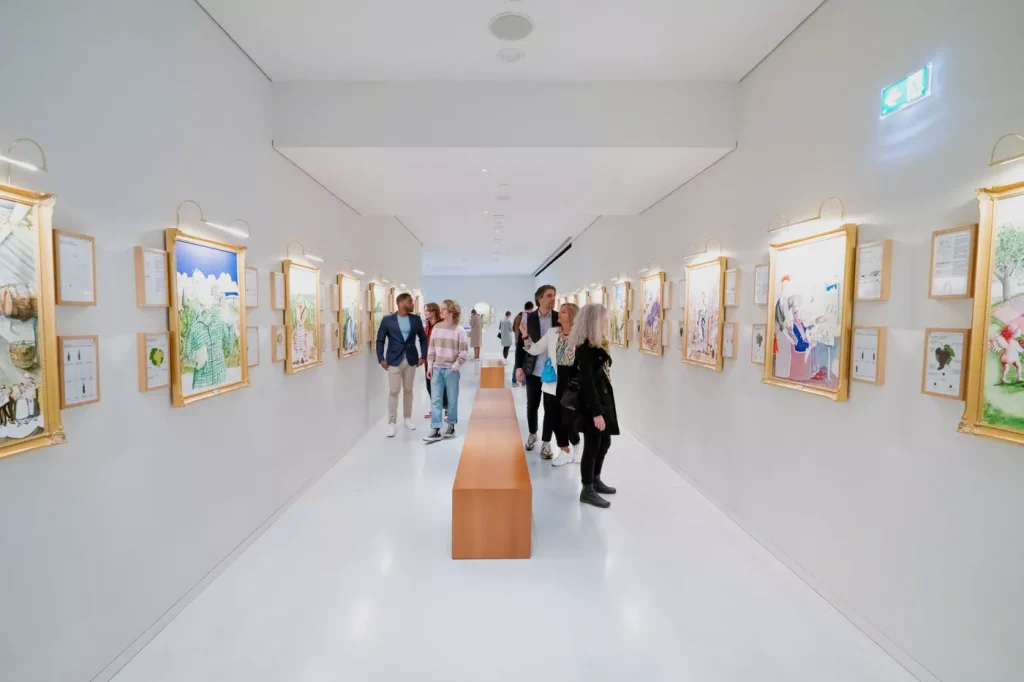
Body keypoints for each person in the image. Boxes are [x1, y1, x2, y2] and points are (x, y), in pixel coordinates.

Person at [568, 303, 618, 508]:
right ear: (593, 323)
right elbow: (588, 384)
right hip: (592, 406)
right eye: (603, 320)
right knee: (592, 446)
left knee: (604, 443)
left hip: (602, 401)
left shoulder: (595, 345)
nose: (606, 323)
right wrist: (597, 413)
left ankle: (595, 480)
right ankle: (587, 489)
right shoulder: (586, 349)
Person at [524, 302, 580, 466]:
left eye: (563, 312)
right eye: (560, 311)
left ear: (572, 316)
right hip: (553, 380)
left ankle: (576, 445)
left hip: (572, 382)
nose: (559, 314)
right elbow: (534, 349)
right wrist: (525, 336)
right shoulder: (552, 332)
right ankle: (564, 449)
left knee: (569, 418)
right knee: (553, 416)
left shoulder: (580, 336)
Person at [376, 292, 428, 438]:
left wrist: (423, 356)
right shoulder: (387, 320)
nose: (413, 304)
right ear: (402, 303)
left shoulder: (416, 319)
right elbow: (380, 340)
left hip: (411, 359)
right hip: (393, 360)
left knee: (408, 390)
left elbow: (423, 339)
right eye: (410, 301)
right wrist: (381, 358)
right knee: (394, 391)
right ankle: (392, 423)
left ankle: (407, 418)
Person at [515, 285, 559, 456]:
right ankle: (533, 434)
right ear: (539, 298)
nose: (553, 298)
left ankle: (546, 442)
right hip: (533, 369)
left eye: (554, 295)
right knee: (532, 405)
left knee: (550, 408)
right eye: (549, 295)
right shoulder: (529, 318)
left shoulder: (559, 318)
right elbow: (520, 345)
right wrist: (519, 366)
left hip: (552, 372)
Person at [424, 299, 469, 442]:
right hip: (437, 369)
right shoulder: (436, 328)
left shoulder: (459, 331)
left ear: (451, 311)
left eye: (443, 309)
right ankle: (436, 429)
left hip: (451, 370)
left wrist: (454, 367)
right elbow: (431, 349)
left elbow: (463, 353)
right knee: (435, 399)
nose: (441, 311)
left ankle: (451, 425)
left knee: (452, 399)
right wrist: (430, 367)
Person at [422, 302, 449, 419]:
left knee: (441, 385)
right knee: (430, 385)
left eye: (427, 310)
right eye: (425, 310)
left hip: (440, 360)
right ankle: (435, 408)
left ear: (434, 311)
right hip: (429, 360)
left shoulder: (441, 325)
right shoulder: (427, 325)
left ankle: (447, 409)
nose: (425, 312)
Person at [511, 302, 534, 386]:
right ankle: (524, 381)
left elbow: (513, 328)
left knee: (518, 362)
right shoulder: (530, 317)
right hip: (526, 342)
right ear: (531, 308)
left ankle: (514, 380)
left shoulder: (517, 316)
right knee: (525, 362)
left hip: (518, 342)